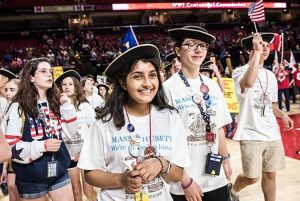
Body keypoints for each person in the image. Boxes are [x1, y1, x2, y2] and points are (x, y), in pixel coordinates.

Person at [78, 44, 189, 201]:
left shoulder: (171, 117)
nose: (147, 83)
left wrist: (161, 164)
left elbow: (177, 174)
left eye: (152, 75)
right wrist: (121, 180)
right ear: (123, 83)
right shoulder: (103, 123)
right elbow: (90, 174)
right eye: (137, 76)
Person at [164, 25, 232, 201]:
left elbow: (219, 129)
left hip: (216, 176)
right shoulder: (167, 89)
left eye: (202, 45)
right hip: (185, 182)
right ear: (178, 50)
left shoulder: (212, 86)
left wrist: (225, 159)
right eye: (191, 44)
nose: (198, 49)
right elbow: (166, 141)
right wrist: (185, 181)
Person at [230, 33, 294, 201]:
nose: (264, 48)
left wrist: (283, 115)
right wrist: (257, 55)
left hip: (272, 132)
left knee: (270, 175)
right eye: (260, 45)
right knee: (252, 177)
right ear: (250, 50)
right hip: (251, 133)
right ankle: (234, 190)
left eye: (266, 46)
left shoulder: (270, 76)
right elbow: (248, 83)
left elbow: (272, 105)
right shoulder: (239, 72)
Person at [4, 57, 78, 201]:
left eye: (50, 72)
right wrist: (42, 146)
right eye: (43, 71)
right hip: (31, 177)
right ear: (31, 77)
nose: (49, 75)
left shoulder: (58, 103)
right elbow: (11, 147)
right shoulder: (17, 107)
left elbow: (70, 134)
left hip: (60, 171)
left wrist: (68, 107)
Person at [55, 70, 97, 201]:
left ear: (76, 86)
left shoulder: (85, 106)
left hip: (86, 154)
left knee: (89, 191)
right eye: (63, 84)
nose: (67, 87)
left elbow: (94, 130)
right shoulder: (57, 108)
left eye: (70, 84)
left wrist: (85, 151)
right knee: (76, 190)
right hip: (68, 155)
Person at [1, 78, 21, 201]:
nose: (7, 93)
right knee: (12, 191)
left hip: (21, 159)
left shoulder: (19, 108)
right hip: (11, 159)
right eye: (6, 90)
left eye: (12, 90)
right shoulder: (10, 107)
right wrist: (5, 167)